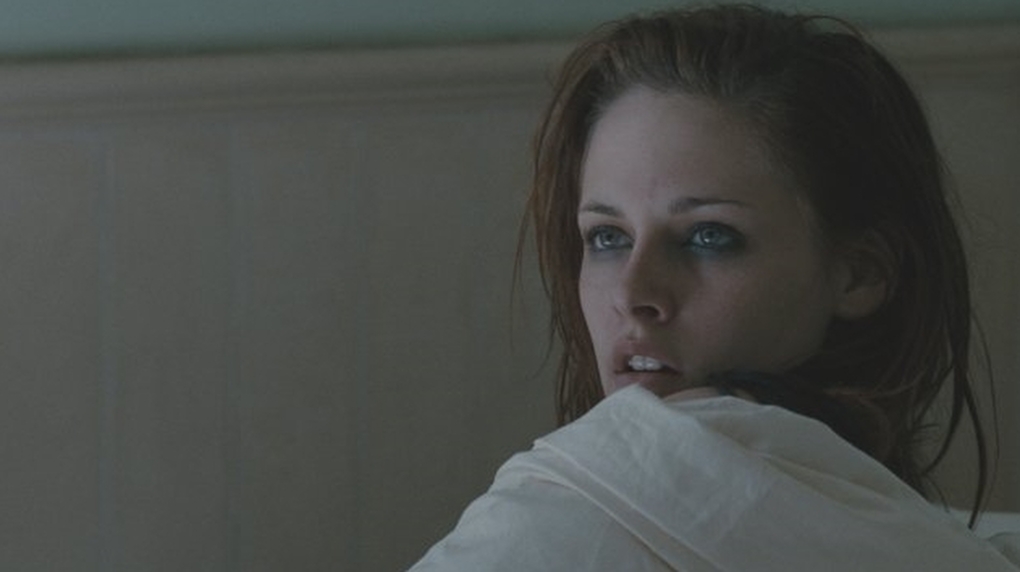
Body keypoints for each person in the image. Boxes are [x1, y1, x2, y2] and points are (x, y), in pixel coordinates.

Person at [409, 4, 1019, 570]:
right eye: (607, 237)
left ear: (861, 273)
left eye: (708, 237)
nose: (633, 292)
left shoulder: (549, 527)